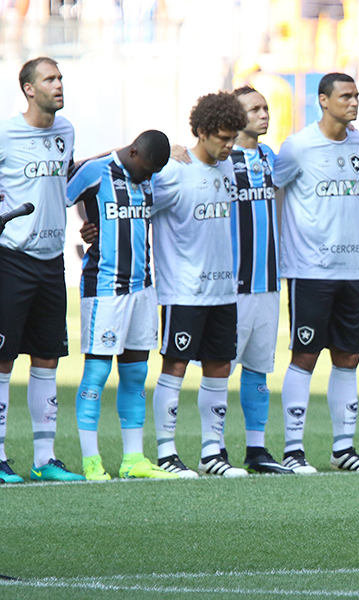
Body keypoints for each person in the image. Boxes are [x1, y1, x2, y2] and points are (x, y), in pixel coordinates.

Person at [274, 72, 359, 473]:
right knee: (305, 355)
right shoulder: (299, 146)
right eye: (345, 96)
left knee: (348, 356)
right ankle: (293, 450)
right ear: (322, 100)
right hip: (309, 270)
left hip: (352, 268)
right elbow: (271, 188)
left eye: (356, 95)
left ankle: (343, 450)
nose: (353, 102)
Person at [66, 130, 178, 481]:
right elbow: (60, 197)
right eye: (145, 169)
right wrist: (81, 230)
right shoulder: (96, 171)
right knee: (97, 374)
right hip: (104, 288)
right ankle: (91, 461)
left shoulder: (149, 176)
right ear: (132, 153)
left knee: (136, 374)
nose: (149, 177)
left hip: (143, 289)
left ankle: (133, 460)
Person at [150, 91, 248, 478]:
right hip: (184, 289)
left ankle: (212, 453)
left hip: (223, 289)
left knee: (219, 366)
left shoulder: (228, 168)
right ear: (203, 131)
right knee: (175, 364)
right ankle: (167, 453)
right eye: (223, 137)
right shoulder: (174, 170)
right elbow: (139, 204)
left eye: (233, 138)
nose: (229, 145)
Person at [0, 57, 83, 483]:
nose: (59, 84)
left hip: (53, 260)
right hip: (12, 257)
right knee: (2, 357)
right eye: (49, 79)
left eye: (60, 78)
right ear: (29, 89)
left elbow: (72, 177)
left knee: (48, 356)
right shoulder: (5, 133)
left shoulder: (65, 132)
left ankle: (45, 458)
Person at [226, 86, 293, 474]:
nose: (264, 114)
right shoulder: (219, 159)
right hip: (232, 284)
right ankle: (213, 449)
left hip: (268, 281)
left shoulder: (271, 157)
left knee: (259, 369)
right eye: (254, 109)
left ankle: (256, 449)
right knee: (222, 369)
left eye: (265, 107)